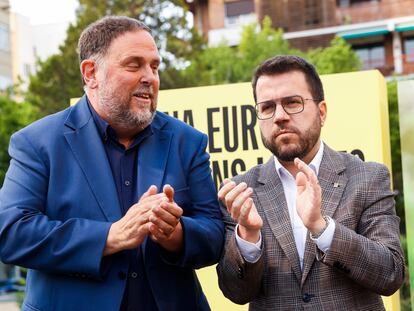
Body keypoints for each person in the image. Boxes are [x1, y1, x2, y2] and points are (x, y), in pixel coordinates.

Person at [0, 16, 224, 311]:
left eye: (154, 66)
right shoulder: (38, 143)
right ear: (91, 73)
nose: (150, 78)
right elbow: (11, 232)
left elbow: (214, 235)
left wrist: (176, 234)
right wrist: (110, 236)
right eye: (134, 64)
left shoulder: (187, 142)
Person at [216, 55, 404, 310]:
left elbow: (391, 274)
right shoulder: (241, 192)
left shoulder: (368, 177)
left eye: (292, 103)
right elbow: (236, 292)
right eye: (267, 107)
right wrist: (248, 236)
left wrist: (322, 227)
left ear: (322, 112)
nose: (279, 116)